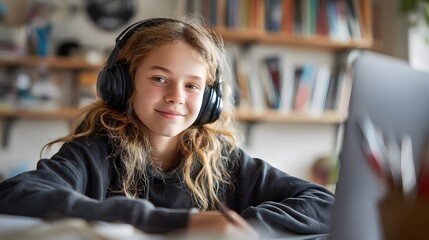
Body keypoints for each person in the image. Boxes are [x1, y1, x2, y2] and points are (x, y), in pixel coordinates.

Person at [0, 17, 334, 238]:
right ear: (123, 84)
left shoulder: (223, 161)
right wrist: (184, 223)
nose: (176, 97)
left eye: (192, 86)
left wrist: (241, 228)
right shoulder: (93, 152)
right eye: (160, 79)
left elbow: (324, 203)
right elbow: (16, 195)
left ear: (209, 99)